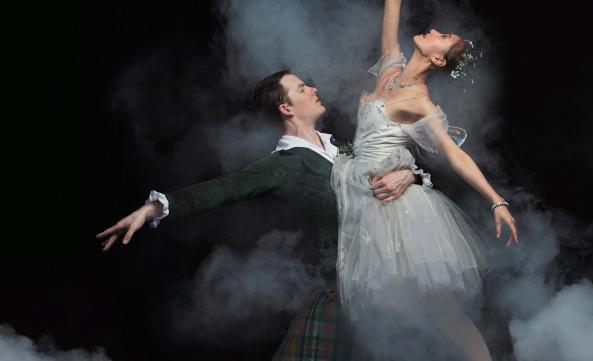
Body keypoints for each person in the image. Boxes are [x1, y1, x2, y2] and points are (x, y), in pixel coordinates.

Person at [96, 70, 422, 360]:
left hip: (387, 282)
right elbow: (225, 188)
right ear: (286, 108)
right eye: (301, 88)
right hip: (344, 294)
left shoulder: (339, 146)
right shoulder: (283, 165)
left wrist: (408, 175)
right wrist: (155, 208)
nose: (312, 88)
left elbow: (386, 179)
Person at [330, 0, 519, 360]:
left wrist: (497, 200)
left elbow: (454, 154)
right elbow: (392, 8)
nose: (433, 30)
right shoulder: (391, 64)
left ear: (438, 60)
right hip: (357, 189)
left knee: (438, 311)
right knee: (390, 318)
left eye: (442, 36)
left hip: (390, 209)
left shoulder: (419, 99)